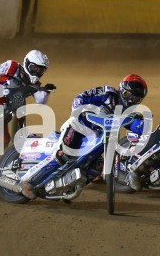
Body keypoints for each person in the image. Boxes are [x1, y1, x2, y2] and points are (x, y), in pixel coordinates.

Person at [18, 74, 148, 198]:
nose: (131, 101)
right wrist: (83, 111)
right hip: (78, 127)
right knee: (62, 156)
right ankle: (27, 181)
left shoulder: (127, 113)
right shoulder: (108, 93)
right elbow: (80, 98)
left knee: (97, 167)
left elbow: (135, 125)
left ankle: (66, 186)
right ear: (122, 90)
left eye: (136, 99)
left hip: (95, 138)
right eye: (129, 95)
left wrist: (144, 125)